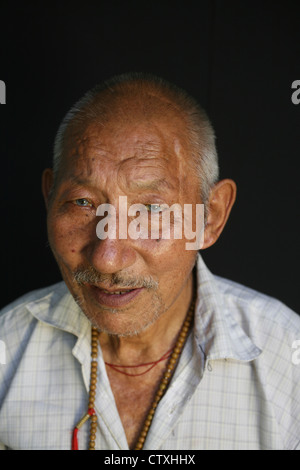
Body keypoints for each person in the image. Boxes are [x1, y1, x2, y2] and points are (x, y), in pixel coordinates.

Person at [0, 73, 299, 451]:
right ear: (49, 197)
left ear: (211, 217)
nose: (107, 258)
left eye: (151, 209)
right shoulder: (7, 350)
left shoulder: (287, 364)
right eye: (83, 203)